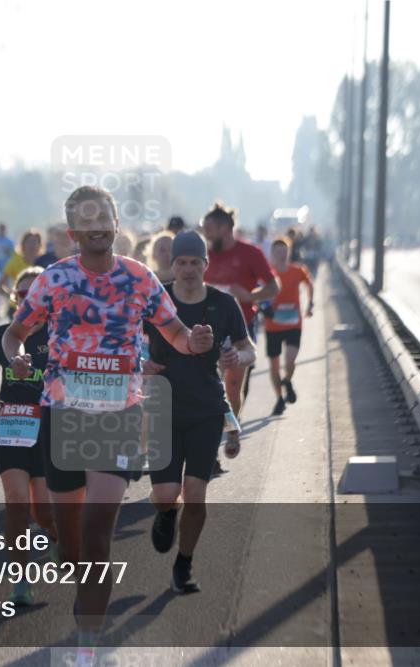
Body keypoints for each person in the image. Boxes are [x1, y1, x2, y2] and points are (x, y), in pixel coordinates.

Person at [3, 186, 214, 662]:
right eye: (86, 218)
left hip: (119, 415)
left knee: (99, 532)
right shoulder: (53, 280)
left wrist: (193, 342)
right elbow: (17, 332)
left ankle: (87, 644)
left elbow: (174, 331)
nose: (98, 225)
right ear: (73, 231)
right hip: (64, 415)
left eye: (106, 216)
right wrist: (15, 356)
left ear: (117, 225)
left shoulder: (139, 278)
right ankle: (86, 595)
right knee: (71, 539)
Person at [143, 231, 255, 593]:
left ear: (206, 265)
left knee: (195, 493)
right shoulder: (156, 302)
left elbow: (248, 348)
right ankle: (164, 514)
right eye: (181, 262)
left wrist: (238, 358)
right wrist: (142, 363)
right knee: (165, 493)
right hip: (162, 407)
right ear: (171, 265)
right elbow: (129, 344)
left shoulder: (223, 304)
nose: (188, 269)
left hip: (206, 409)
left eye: (195, 262)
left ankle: (184, 563)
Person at [0, 267, 58, 606]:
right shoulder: (2, 333)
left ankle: (57, 536)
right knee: (16, 502)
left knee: (42, 512)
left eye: (34, 294)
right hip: (12, 425)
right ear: (15, 298)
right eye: (22, 294)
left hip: (46, 427)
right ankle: (21, 580)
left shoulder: (58, 334)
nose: (27, 299)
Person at [201, 203, 279, 476]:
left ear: (226, 228)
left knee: (232, 390)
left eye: (210, 229)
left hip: (240, 331)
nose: (206, 234)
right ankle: (209, 455)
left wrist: (249, 296)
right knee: (208, 393)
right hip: (206, 334)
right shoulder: (202, 256)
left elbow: (273, 287)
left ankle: (232, 429)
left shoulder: (250, 253)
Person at [265, 236, 314, 415]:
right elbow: (257, 290)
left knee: (290, 360)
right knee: (274, 365)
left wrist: (310, 303)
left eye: (284, 252)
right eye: (278, 252)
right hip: (273, 325)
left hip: (294, 323)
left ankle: (288, 380)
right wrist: (263, 308)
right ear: (272, 254)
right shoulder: (268, 274)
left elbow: (310, 284)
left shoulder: (298, 270)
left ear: (289, 252)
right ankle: (279, 398)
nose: (281, 256)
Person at [0, 228, 42, 310]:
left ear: (39, 245)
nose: (32, 245)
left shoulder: (44, 262)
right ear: (23, 245)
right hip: (17, 309)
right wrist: (13, 296)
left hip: (39, 309)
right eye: (29, 242)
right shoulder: (14, 261)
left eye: (35, 242)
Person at [0, 222, 15, 317]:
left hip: (7, 269)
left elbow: (13, 254)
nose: (2, 230)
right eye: (0, 228)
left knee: (7, 288)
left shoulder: (10, 241)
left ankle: (8, 308)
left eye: (3, 229)